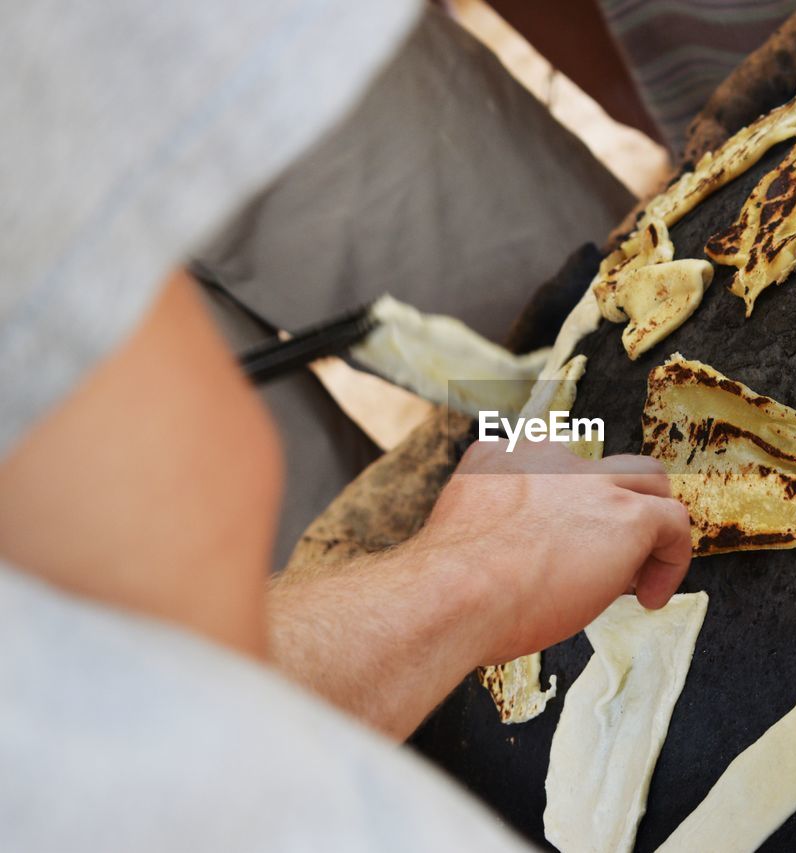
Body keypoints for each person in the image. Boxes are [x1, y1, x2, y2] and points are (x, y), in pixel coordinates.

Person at [0, 2, 688, 849]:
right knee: (307, 532)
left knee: (568, 358)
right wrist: (464, 578)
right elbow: (158, 702)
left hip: (208, 42)